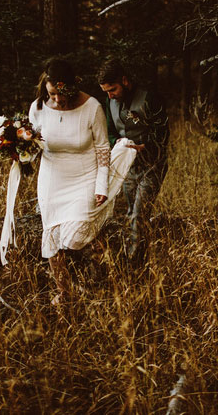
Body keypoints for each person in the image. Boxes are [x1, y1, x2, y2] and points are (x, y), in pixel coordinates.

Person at [29, 58, 135, 304]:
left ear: (70, 88)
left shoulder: (92, 107)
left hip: (84, 176)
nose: (55, 99)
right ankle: (65, 293)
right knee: (53, 239)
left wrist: (101, 186)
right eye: (50, 93)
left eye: (58, 93)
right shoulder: (38, 108)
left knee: (76, 237)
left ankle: (100, 260)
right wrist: (20, 149)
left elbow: (102, 148)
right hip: (52, 179)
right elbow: (34, 142)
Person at [97, 59, 169, 261]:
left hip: (152, 164)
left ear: (125, 81)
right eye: (106, 92)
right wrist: (117, 142)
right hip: (127, 166)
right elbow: (110, 131)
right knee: (129, 212)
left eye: (113, 89)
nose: (110, 95)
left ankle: (135, 261)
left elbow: (163, 133)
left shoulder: (149, 98)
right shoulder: (109, 101)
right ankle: (137, 254)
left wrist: (145, 145)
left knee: (139, 213)